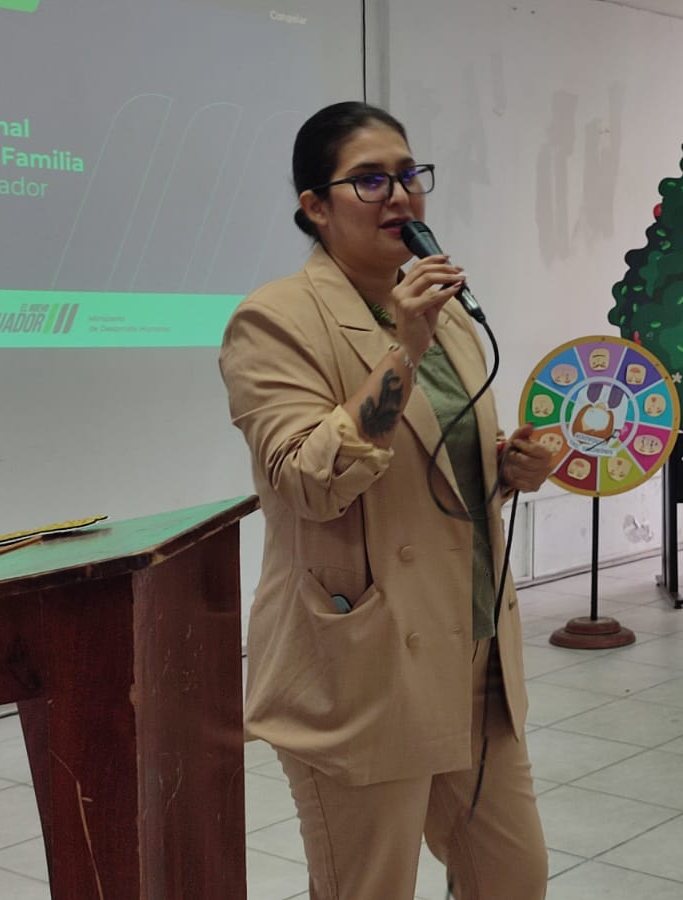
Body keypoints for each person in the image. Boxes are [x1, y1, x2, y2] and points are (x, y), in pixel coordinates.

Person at [219, 101, 554, 900]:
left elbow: (437, 465)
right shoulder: (273, 319)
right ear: (315, 206)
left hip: (473, 653)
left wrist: (510, 466)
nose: (399, 195)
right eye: (369, 180)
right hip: (367, 666)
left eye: (408, 175)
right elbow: (310, 481)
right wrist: (403, 344)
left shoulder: (449, 316)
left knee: (515, 879)